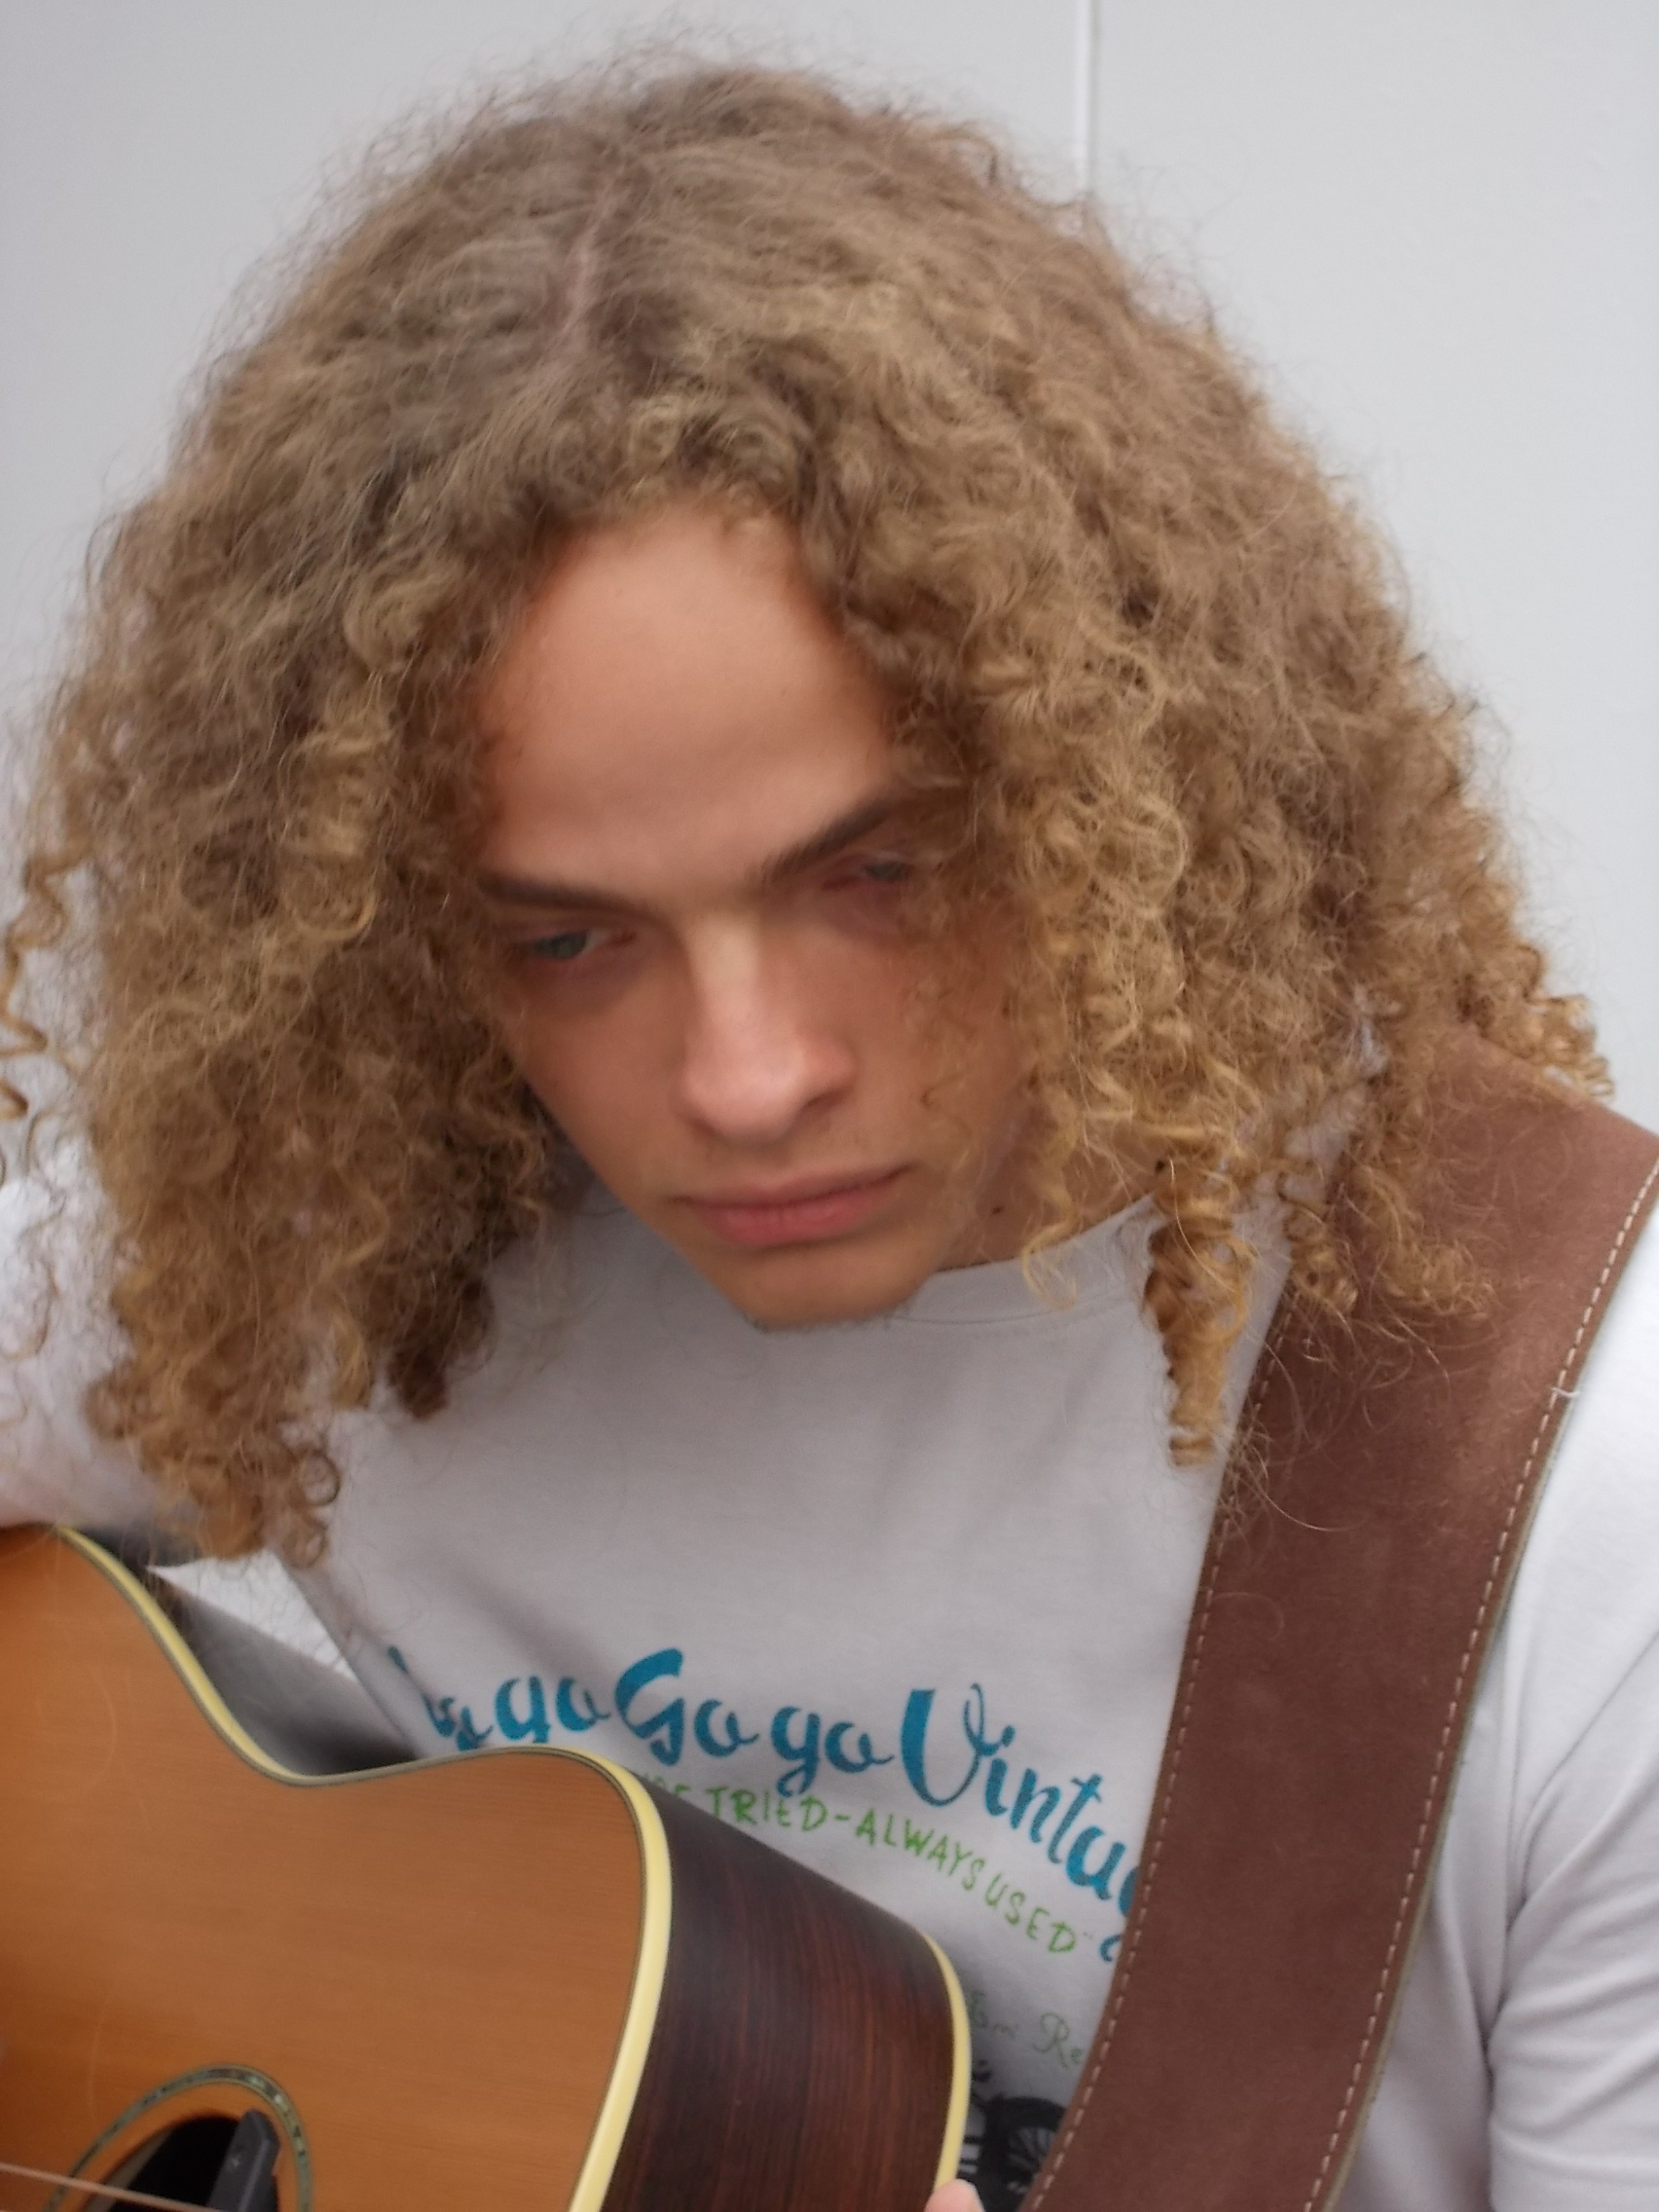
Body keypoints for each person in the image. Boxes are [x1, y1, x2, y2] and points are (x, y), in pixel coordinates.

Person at [3, 61, 1656, 2212]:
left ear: (1111, 772)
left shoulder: (1574, 1481)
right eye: (566, 935)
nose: (748, 1076)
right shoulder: (329, 1237)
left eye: (879, 871)